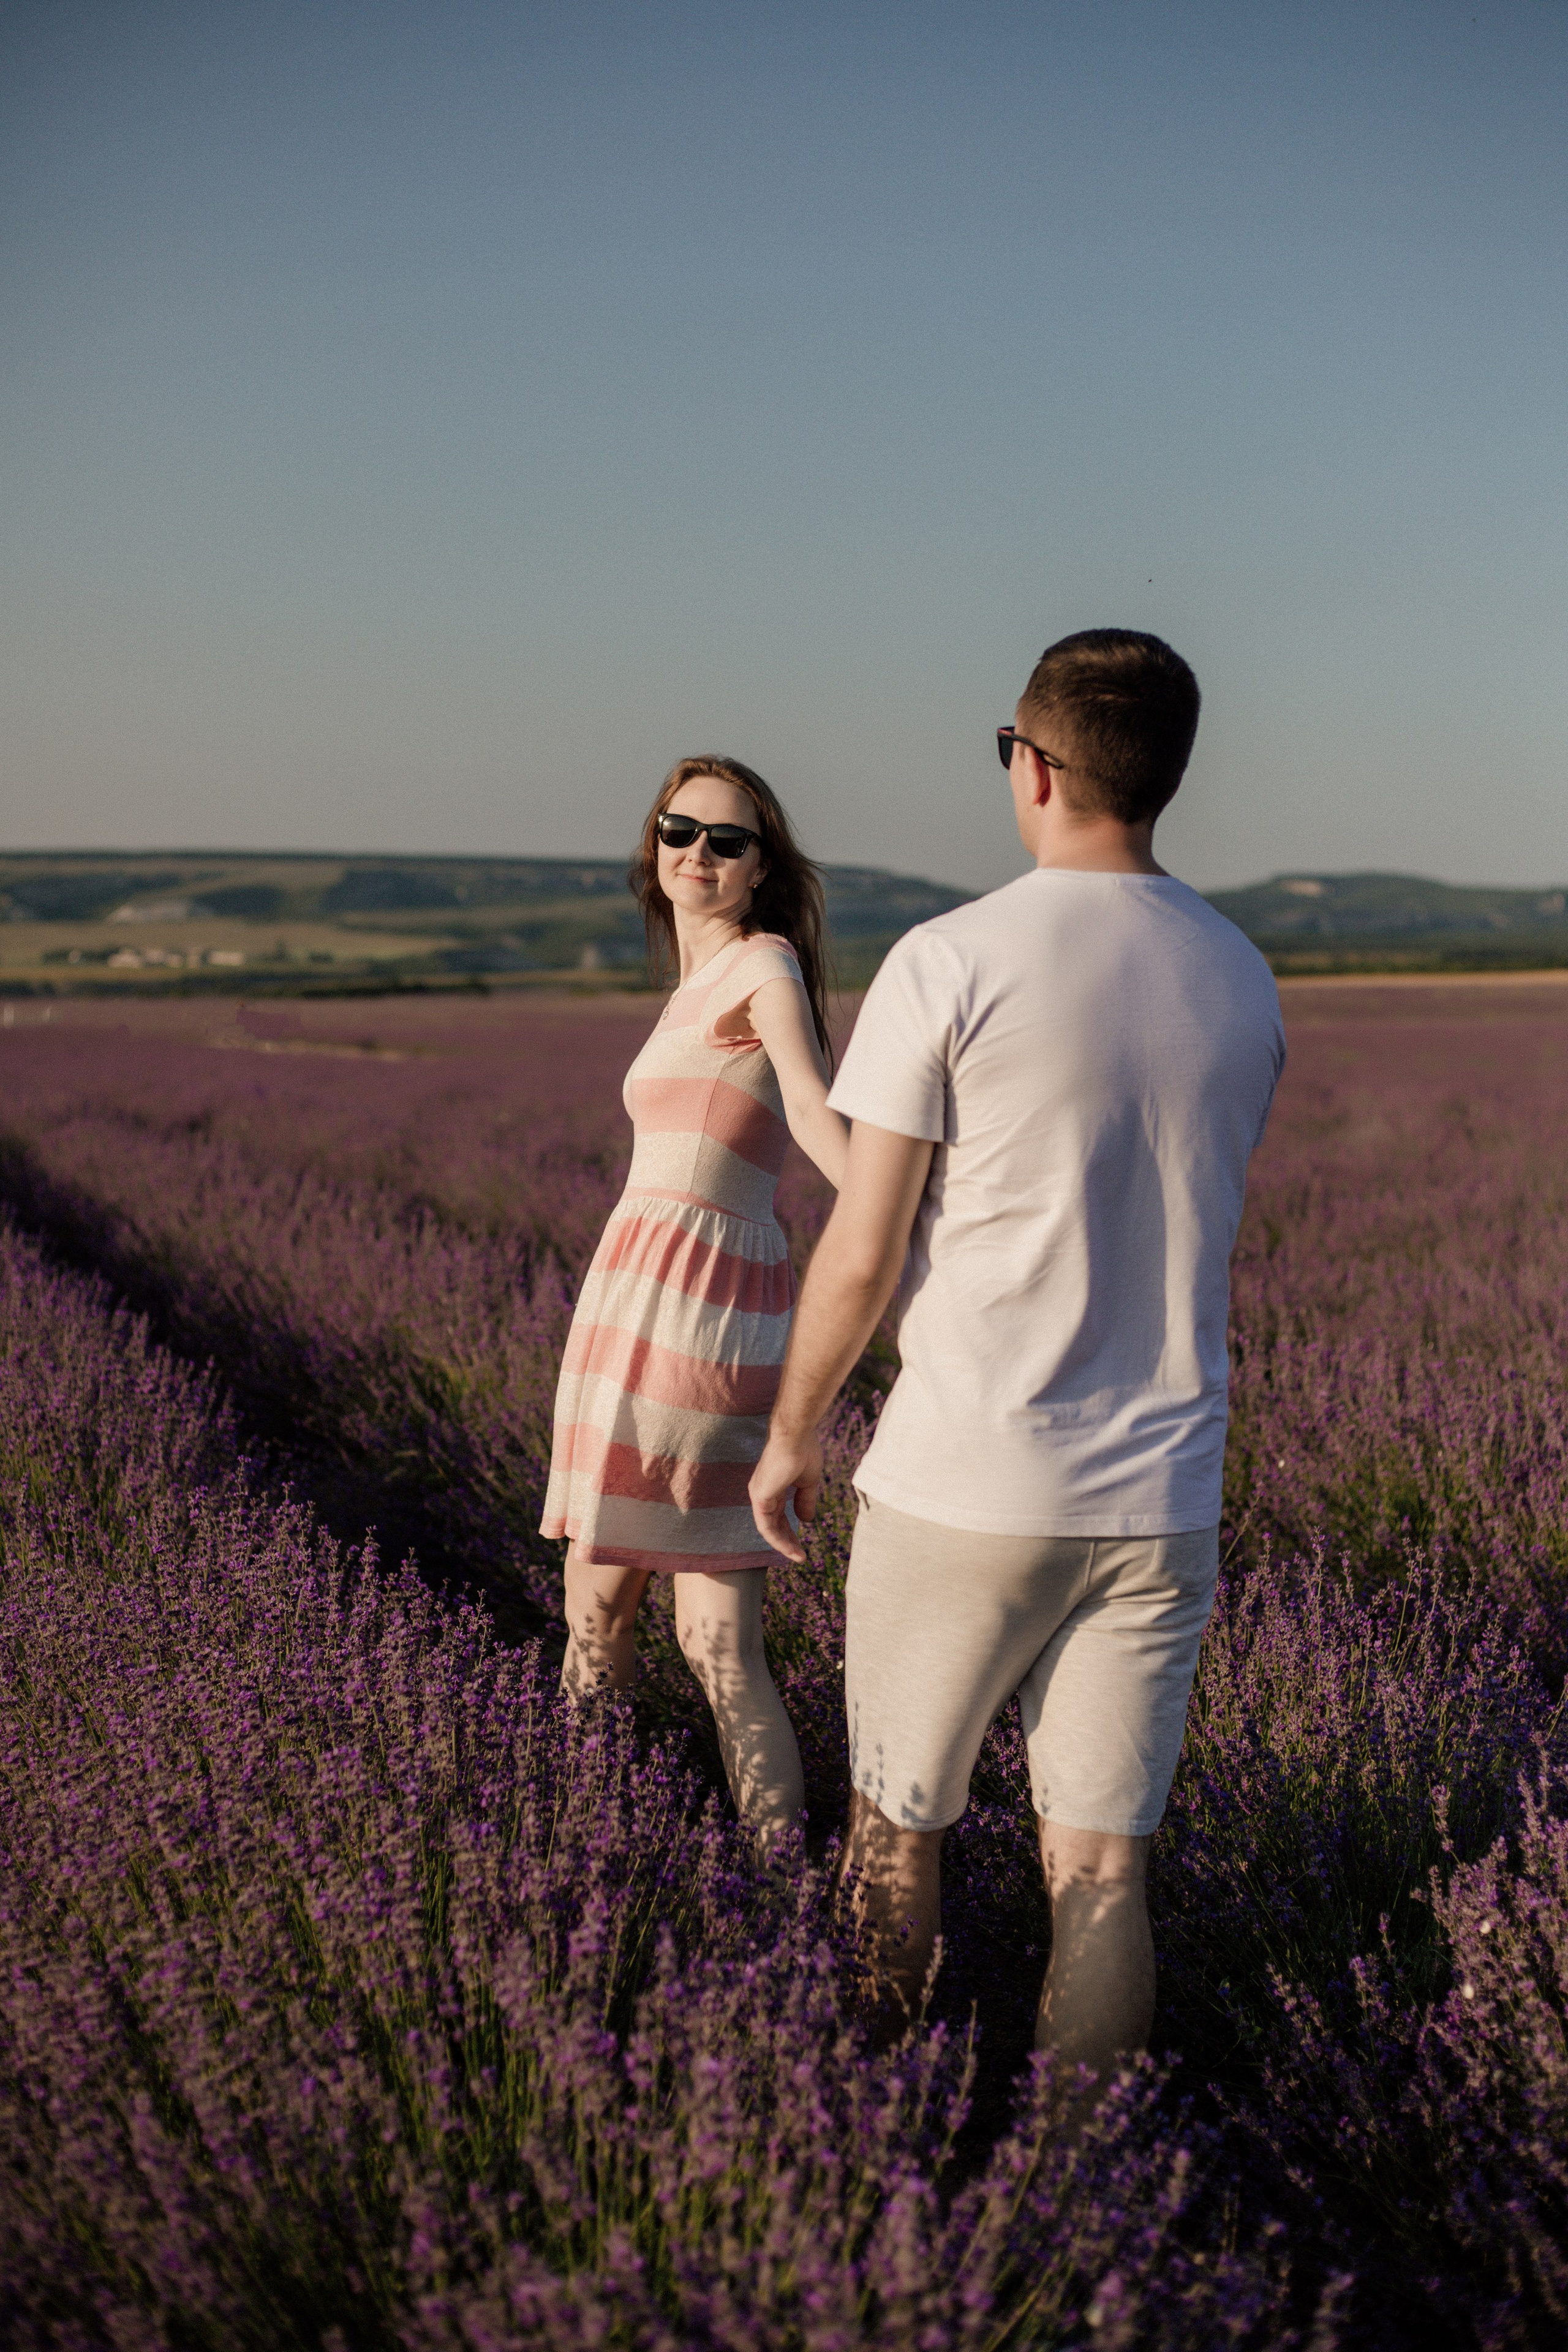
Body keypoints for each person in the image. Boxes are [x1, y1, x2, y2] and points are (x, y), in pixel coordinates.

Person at [750, 630, 1284, 2081]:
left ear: (1033, 767)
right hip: (1161, 1497)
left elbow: (862, 1250)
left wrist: (793, 1432)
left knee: (892, 1828)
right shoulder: (1241, 978)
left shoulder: (949, 960)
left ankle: (880, 2135)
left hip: (967, 1483)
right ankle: (1078, 2193)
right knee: (1102, 1874)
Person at [542, 755, 848, 1854]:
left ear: (764, 869)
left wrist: (899, 1211)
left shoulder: (761, 965)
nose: (698, 856)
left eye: (727, 841)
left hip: (688, 1315)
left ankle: (594, 1850)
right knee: (704, 1637)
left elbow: (815, 1112)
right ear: (653, 842)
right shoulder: (696, 979)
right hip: (663, 1304)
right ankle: (776, 1891)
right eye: (680, 832)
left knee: (615, 1614)